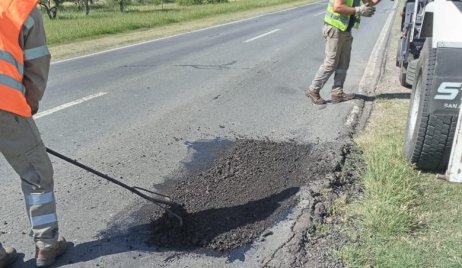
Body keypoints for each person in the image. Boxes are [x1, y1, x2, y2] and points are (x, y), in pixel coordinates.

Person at [0, 1, 67, 267]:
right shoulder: (22, 7)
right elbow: (37, 63)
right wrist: (30, 103)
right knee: (37, 174)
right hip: (5, 106)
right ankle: (46, 245)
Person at [306, 0, 380, 104]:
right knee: (331, 63)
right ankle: (313, 89)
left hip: (345, 30)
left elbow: (370, 2)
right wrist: (359, 10)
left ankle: (337, 93)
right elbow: (337, 7)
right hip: (334, 28)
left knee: (343, 63)